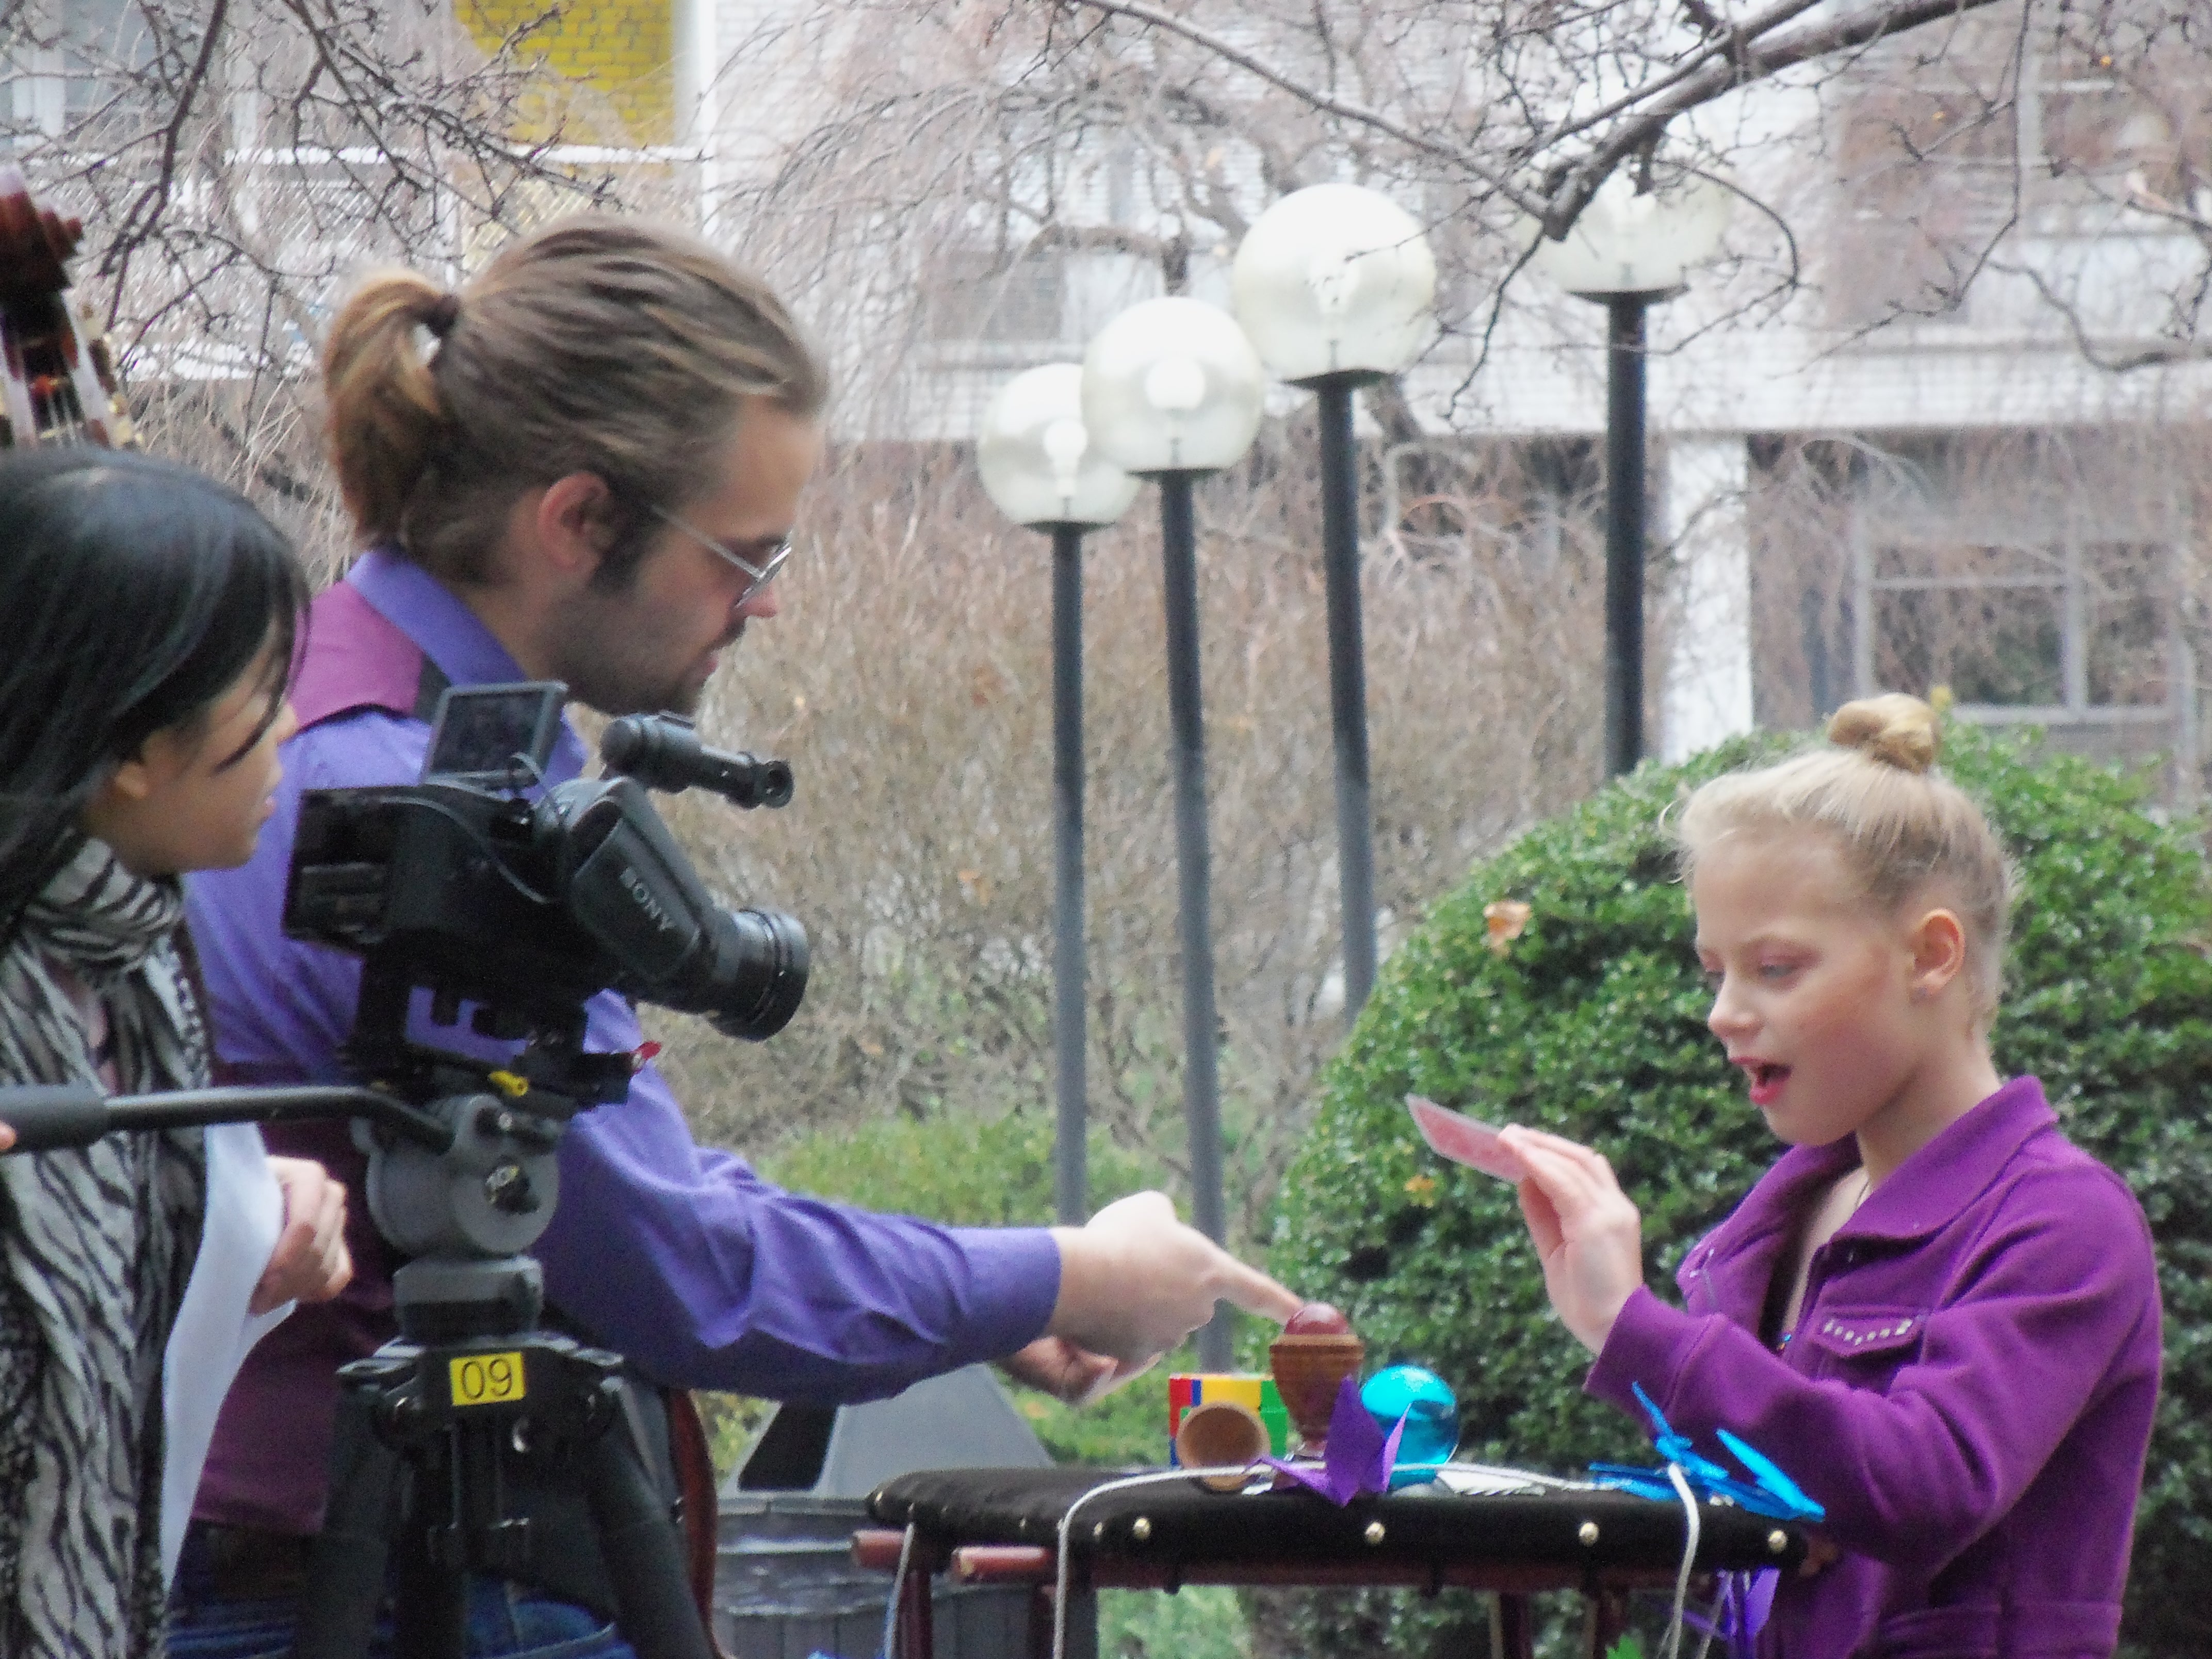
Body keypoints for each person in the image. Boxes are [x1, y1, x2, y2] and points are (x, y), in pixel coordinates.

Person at [173, 218, 1300, 1655]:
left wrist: (987, 1291)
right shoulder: (411, 805)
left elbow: (607, 1172)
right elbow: (686, 1275)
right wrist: (1066, 1274)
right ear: (578, 519)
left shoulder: (330, 736)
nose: (764, 605)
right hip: (393, 1588)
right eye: (739, 556)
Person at [1497, 693, 2161, 1657]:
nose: (1725, 1012)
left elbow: (1923, 1484)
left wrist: (1634, 1332)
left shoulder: (2063, 1222)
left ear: (1932, 956)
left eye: (1775, 967)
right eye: (1714, 970)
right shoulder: (1774, 1226)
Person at [0, 447, 353, 1658]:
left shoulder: (138, 955)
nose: (291, 729)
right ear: (135, 747)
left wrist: (245, 1209)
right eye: (264, 694)